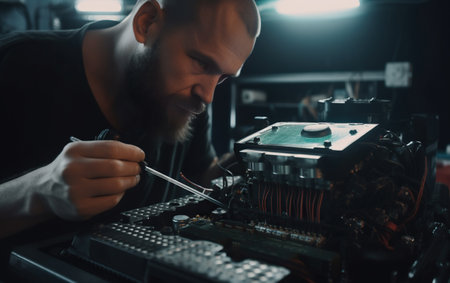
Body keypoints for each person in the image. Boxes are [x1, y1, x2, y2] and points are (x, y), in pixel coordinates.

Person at [0, 0, 260, 243]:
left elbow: (198, 175)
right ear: (146, 23)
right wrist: (37, 193)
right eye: (202, 63)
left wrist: (257, 160)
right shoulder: (16, 63)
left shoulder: (188, 100)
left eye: (223, 77)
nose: (208, 96)